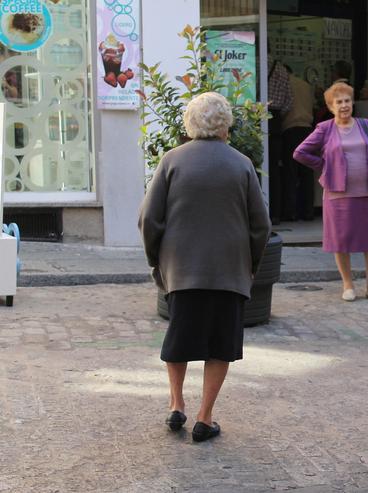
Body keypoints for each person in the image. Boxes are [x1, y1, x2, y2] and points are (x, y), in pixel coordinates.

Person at [138, 92, 271, 442]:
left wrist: (157, 260)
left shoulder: (171, 161)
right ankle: (204, 416)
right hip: (229, 269)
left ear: (190, 123)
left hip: (181, 270)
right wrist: (251, 264)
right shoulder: (241, 164)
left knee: (179, 337)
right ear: (225, 125)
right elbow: (261, 225)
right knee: (220, 345)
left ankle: (176, 404)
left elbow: (149, 219)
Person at [293, 82, 368, 302]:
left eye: (347, 101)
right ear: (331, 106)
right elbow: (300, 152)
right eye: (339, 102)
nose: (344, 105)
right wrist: (325, 165)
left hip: (367, 191)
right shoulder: (325, 128)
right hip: (337, 193)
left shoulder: (365, 125)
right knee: (341, 240)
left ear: (352, 102)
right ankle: (348, 285)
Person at [281, 66, 316, 221]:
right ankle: (308, 211)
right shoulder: (305, 85)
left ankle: (290, 212)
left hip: (291, 128)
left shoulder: (286, 83)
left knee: (290, 172)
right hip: (308, 130)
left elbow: (283, 108)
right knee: (307, 173)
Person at [267, 55, 294, 225]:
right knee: (274, 169)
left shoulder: (252, 62)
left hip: (255, 114)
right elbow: (289, 102)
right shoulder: (282, 70)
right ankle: (275, 213)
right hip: (275, 119)